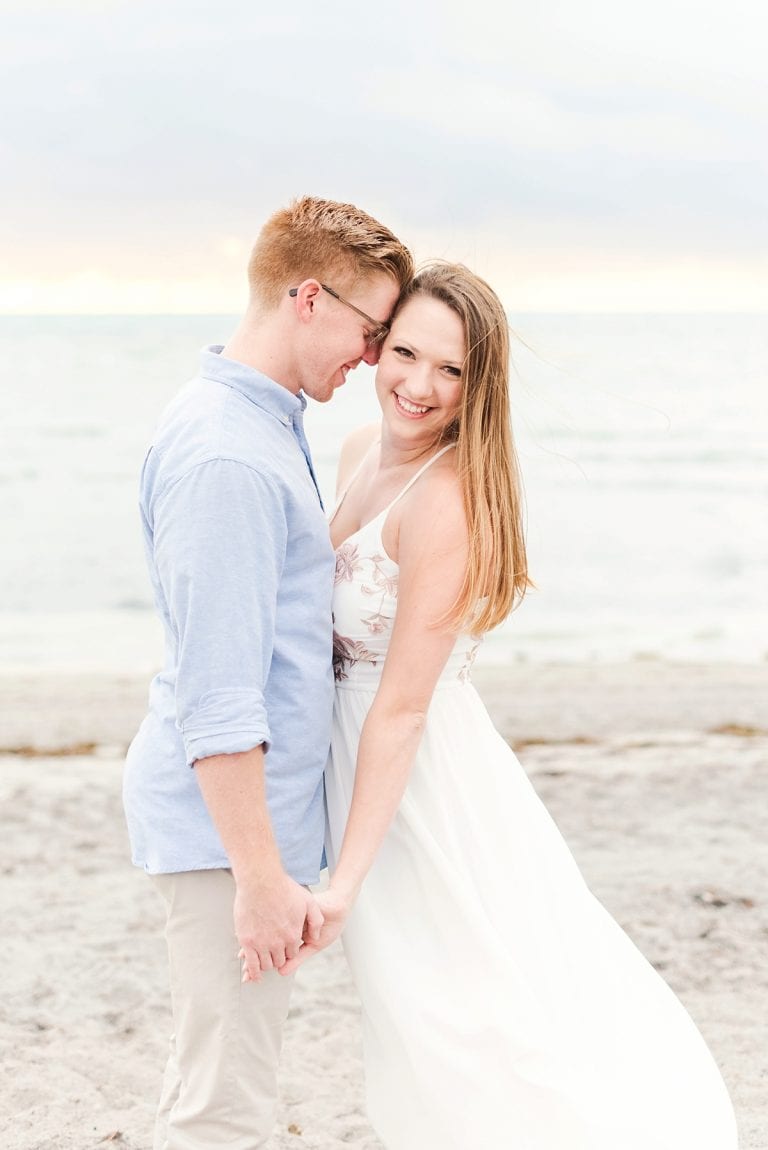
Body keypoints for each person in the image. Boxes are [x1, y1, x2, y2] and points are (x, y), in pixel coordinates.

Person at [274, 263, 739, 1149]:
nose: (418, 385)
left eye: (450, 370)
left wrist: (343, 881)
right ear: (377, 346)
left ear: (479, 384)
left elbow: (403, 708)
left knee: (465, 1016)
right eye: (405, 353)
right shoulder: (356, 449)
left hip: (418, 785)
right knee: (419, 1016)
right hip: (359, 762)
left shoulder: (446, 501)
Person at [122, 196, 413, 1150]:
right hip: (227, 837)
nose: (373, 357)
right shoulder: (230, 456)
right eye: (371, 329)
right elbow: (219, 693)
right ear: (306, 296)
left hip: (243, 826)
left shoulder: (260, 421)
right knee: (226, 1112)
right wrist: (259, 875)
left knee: (213, 1074)